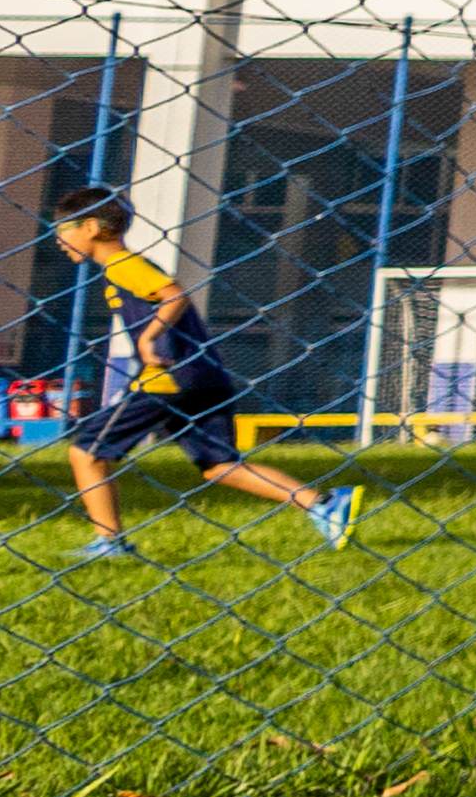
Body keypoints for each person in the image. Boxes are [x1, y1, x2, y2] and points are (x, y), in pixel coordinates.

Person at [40, 187, 356, 556]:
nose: (59, 239)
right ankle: (323, 504)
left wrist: (149, 340)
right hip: (205, 375)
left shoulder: (123, 265)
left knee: (86, 453)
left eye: (62, 228)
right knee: (219, 465)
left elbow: (174, 294)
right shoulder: (121, 267)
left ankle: (109, 542)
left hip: (168, 379)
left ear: (91, 227)